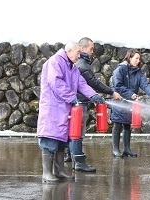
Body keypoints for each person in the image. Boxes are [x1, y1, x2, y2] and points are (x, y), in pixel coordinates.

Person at [37, 41, 105, 183]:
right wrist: (72, 97)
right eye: (78, 53)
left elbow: (81, 84)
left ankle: (59, 171)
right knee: (50, 139)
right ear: (69, 51)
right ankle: (47, 174)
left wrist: (93, 95)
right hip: (53, 108)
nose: (79, 56)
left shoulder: (72, 67)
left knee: (62, 141)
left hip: (64, 108)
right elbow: (56, 82)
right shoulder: (55, 62)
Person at [65, 37, 122, 172]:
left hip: (78, 102)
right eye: (91, 49)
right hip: (80, 103)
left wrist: (95, 96)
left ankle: (72, 156)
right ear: (82, 48)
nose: (92, 52)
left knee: (74, 132)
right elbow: (94, 83)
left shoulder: (79, 64)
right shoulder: (82, 65)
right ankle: (78, 161)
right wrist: (111, 92)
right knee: (78, 133)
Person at [110, 49, 150, 158]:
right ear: (129, 57)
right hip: (119, 101)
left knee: (127, 124)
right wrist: (130, 94)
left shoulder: (138, 72)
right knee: (117, 124)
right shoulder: (120, 69)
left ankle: (127, 149)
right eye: (136, 58)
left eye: (139, 59)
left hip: (129, 102)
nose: (138, 61)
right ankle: (115, 149)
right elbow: (117, 85)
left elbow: (145, 84)